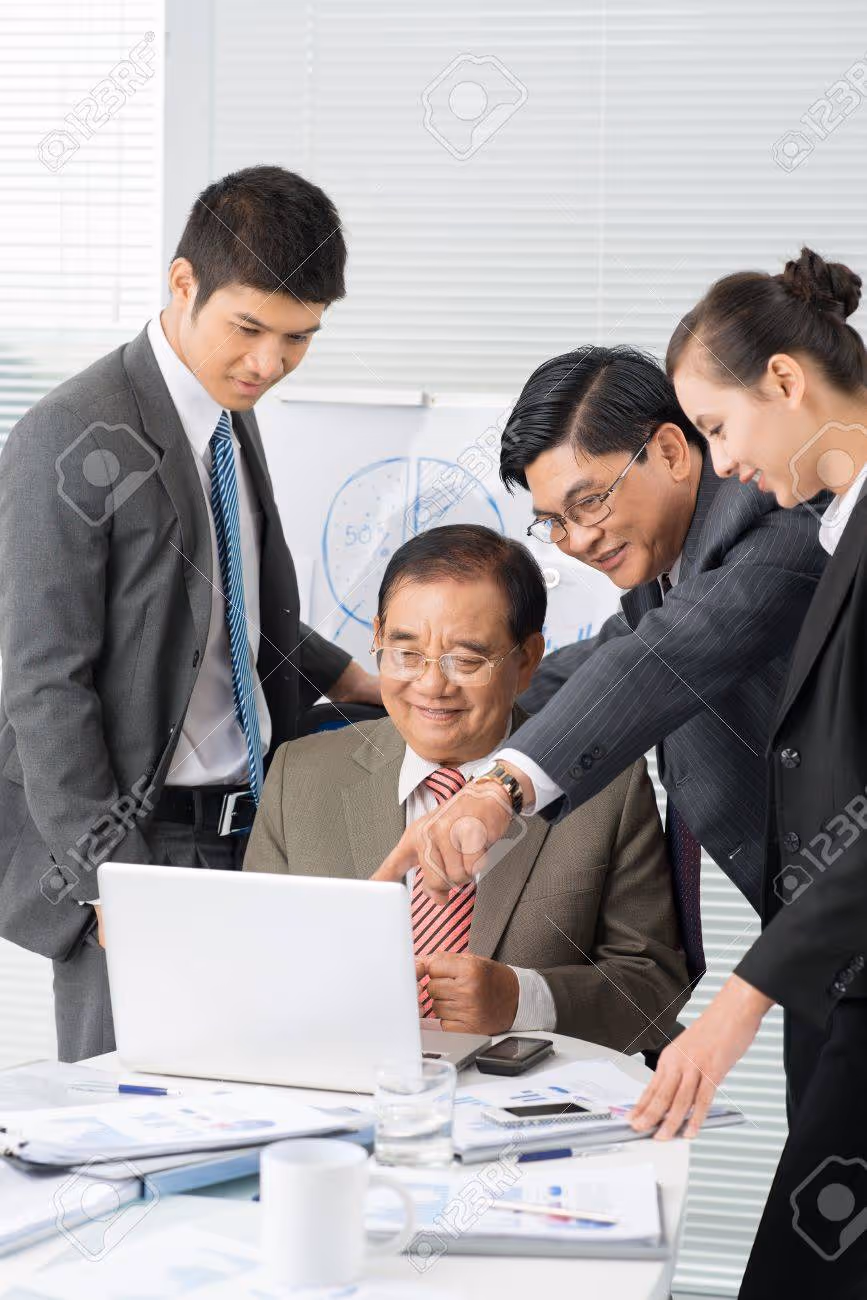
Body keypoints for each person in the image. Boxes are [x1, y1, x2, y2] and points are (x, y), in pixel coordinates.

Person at [0, 165, 380, 1062]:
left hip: (252, 831)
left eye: (298, 339)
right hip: (140, 845)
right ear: (182, 284)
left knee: (259, 1118)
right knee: (137, 1143)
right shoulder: (69, 432)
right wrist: (108, 879)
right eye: (248, 329)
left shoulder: (224, 413)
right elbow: (41, 678)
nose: (268, 363)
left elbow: (222, 594)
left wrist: (346, 674)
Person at [375, 346, 828, 1002]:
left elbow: (661, 659)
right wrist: (440, 685)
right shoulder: (669, 567)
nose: (579, 539)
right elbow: (603, 660)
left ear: (670, 450)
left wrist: (497, 787)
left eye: (588, 503)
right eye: (553, 522)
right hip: (812, 944)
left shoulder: (776, 524)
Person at [628, 248, 867, 1298]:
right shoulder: (835, 531)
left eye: (719, 428)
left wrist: (745, 995)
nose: (720, 467)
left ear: (783, 379)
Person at [245, 524, 689, 1050]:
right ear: (377, 638)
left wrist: (522, 999)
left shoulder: (604, 787)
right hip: (343, 1091)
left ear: (527, 660)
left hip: (523, 1109)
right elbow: (255, 967)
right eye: (406, 654)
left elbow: (654, 991)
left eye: (467, 660)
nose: (433, 685)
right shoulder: (301, 773)